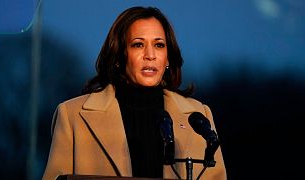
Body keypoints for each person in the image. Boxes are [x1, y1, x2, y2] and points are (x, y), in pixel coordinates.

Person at [42, 6, 226, 180]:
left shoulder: (199, 118)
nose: (150, 55)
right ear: (118, 56)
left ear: (168, 58)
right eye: (138, 45)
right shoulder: (72, 116)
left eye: (159, 45)